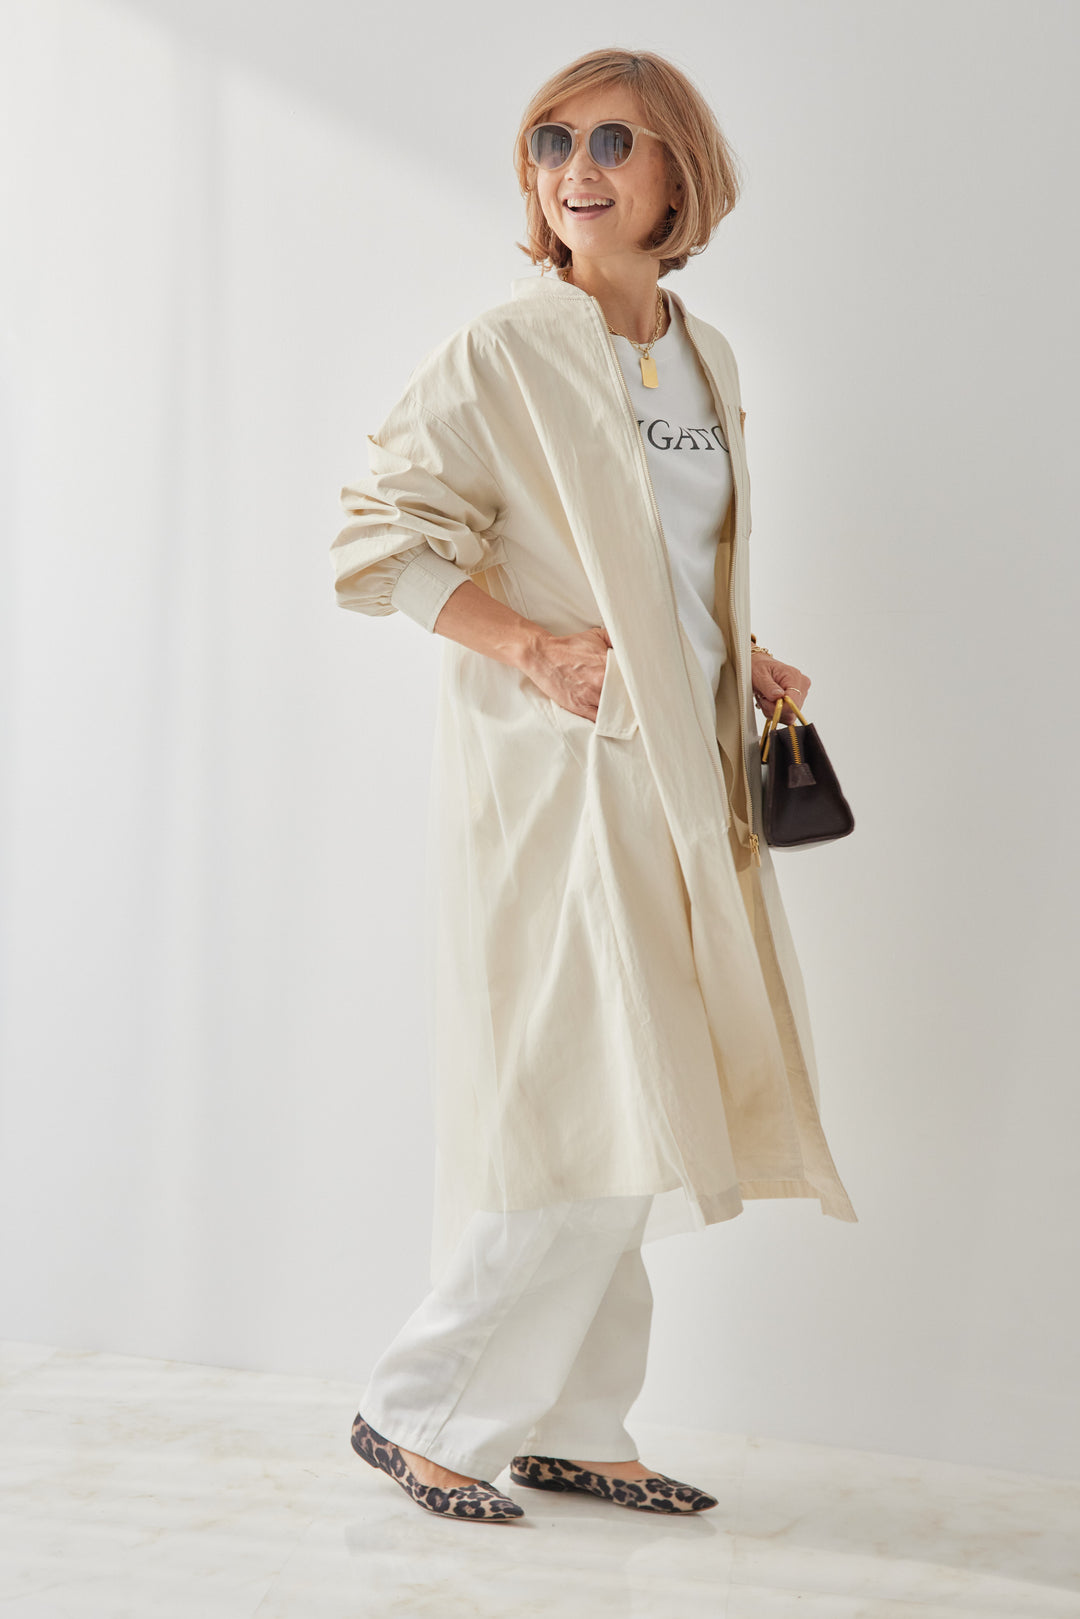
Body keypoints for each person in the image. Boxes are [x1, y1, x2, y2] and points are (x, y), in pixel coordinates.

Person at [330, 47, 857, 1525]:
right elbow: (377, 543)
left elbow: (664, 553)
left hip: (685, 770)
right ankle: (419, 1411)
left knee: (633, 1091)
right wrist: (534, 651)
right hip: (561, 777)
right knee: (584, 1088)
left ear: (681, 168)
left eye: (614, 141)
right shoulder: (504, 350)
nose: (577, 169)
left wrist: (736, 652)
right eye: (551, 142)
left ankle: (574, 1420)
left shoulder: (706, 357)